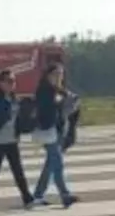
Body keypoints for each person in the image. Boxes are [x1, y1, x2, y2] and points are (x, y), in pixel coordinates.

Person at [0, 70, 34, 210]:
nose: (12, 84)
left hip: (11, 140)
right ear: (0, 83)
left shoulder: (14, 99)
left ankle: (27, 198)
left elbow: (18, 119)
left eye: (13, 81)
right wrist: (5, 117)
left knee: (18, 170)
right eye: (8, 81)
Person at [31, 63, 79, 208]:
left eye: (61, 74)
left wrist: (70, 104)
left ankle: (38, 195)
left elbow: (65, 109)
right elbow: (47, 110)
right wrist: (61, 103)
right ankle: (65, 195)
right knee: (57, 163)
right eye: (56, 74)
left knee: (50, 165)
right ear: (48, 75)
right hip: (47, 130)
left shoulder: (59, 91)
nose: (59, 77)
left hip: (58, 130)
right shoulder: (44, 90)